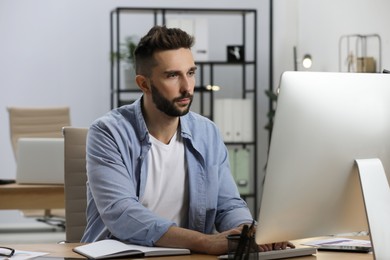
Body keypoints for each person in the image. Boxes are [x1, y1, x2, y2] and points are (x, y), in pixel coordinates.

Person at [81, 25, 293, 255]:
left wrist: (246, 231)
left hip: (185, 257)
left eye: (190, 73)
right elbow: (122, 213)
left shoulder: (207, 133)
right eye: (172, 75)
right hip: (121, 256)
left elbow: (228, 205)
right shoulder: (108, 132)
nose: (187, 88)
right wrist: (205, 242)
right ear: (144, 84)